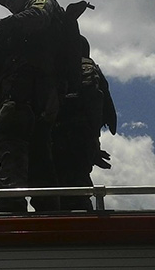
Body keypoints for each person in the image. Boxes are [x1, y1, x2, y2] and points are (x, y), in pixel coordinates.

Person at [0, 0, 64, 213]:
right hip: (34, 99)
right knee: (37, 156)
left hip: (25, 98)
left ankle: (11, 204)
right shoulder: (21, 30)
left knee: (9, 142)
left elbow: (37, 16)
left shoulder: (42, 2)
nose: (10, 4)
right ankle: (48, 209)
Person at [52, 36, 117, 210]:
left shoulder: (82, 67)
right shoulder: (72, 69)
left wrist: (91, 143)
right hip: (73, 136)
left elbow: (93, 102)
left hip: (71, 136)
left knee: (73, 188)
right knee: (66, 188)